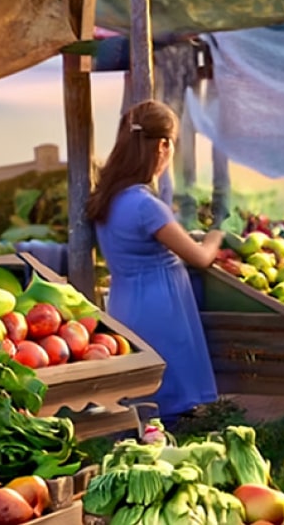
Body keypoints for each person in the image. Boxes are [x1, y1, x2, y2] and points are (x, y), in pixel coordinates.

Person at [88, 100, 227, 418]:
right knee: (169, 404)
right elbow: (201, 258)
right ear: (163, 145)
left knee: (141, 402)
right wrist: (217, 235)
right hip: (161, 310)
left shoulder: (108, 198)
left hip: (124, 305)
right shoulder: (145, 206)